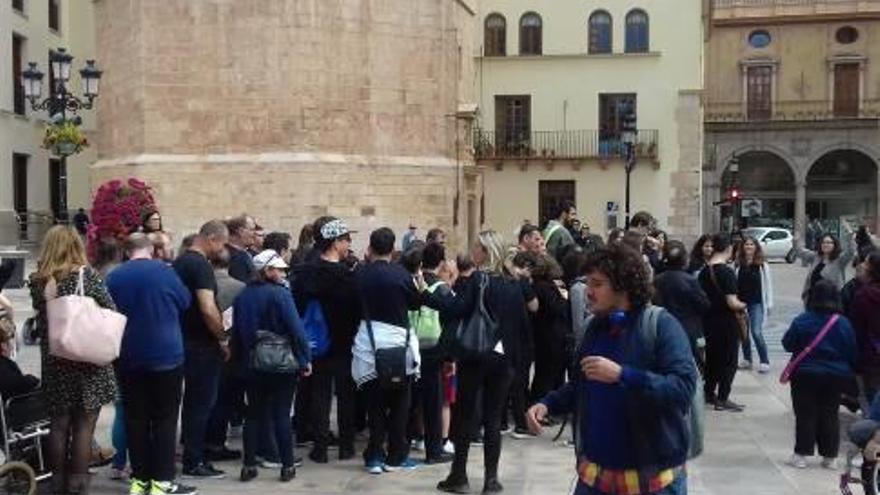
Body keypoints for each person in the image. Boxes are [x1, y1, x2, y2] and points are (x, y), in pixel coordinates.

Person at [527, 244, 697, 495]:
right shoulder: (592, 328)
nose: (588, 292)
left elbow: (682, 389)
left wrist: (623, 375)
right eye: (588, 283)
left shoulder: (661, 325)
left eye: (597, 284)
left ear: (623, 286)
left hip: (653, 483)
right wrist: (548, 403)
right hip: (595, 480)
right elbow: (582, 384)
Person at [435, 231, 529, 494]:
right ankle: (490, 479)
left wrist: (438, 291)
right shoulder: (514, 282)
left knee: (465, 415)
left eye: (476, 246)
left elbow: (457, 311)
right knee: (493, 417)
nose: (472, 250)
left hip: (477, 354)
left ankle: (459, 474)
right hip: (504, 358)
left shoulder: (477, 279)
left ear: (486, 251)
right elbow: (522, 324)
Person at [28, 226, 118, 495]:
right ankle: (78, 482)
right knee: (84, 425)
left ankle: (57, 482)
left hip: (56, 362)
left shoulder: (38, 280)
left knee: (58, 424)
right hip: (86, 360)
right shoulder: (85, 275)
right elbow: (109, 308)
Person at [106, 234, 196, 495]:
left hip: (128, 355)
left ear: (127, 251)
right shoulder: (164, 272)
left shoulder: (114, 276)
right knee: (165, 419)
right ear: (150, 250)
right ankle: (162, 481)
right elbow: (184, 302)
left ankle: (139, 480)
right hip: (166, 354)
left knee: (136, 418)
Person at [234, 250, 312, 483]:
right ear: (267, 270)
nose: (282, 272)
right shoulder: (280, 294)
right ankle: (287, 465)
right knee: (281, 414)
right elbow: (296, 329)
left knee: (254, 414)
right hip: (281, 362)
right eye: (278, 269)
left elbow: (238, 331)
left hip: (252, 362)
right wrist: (305, 358)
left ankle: (248, 465)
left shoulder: (243, 295)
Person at [291, 217, 361, 463]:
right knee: (345, 396)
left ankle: (320, 447)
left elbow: (297, 307)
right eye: (345, 240)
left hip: (316, 342)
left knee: (319, 395)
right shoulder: (348, 276)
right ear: (335, 242)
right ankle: (346, 446)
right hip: (343, 343)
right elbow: (357, 311)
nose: (348, 245)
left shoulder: (305, 273)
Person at [353, 227, 423, 474]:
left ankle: (374, 456)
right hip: (398, 344)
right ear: (393, 250)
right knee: (400, 405)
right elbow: (415, 303)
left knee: (374, 405)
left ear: (370, 248)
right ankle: (396, 455)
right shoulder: (401, 274)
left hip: (369, 344)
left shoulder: (360, 274)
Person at [173, 220, 231, 479]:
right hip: (201, 344)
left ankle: (190, 452)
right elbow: (207, 308)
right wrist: (222, 338)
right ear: (211, 238)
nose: (222, 249)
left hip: (183, 339)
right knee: (201, 404)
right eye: (222, 243)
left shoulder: (181, 262)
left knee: (191, 404)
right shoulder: (201, 266)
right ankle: (194, 460)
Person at [782, 280, 857, 470]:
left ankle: (801, 455)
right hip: (835, 375)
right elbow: (851, 350)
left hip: (806, 373)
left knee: (805, 413)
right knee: (830, 413)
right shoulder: (844, 323)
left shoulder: (803, 320)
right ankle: (829, 457)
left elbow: (788, 343)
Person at [408, 242, 456, 464]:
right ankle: (434, 450)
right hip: (433, 348)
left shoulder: (413, 282)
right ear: (441, 262)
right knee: (433, 401)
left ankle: (409, 438)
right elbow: (450, 323)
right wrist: (450, 357)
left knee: (410, 399)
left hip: (411, 346)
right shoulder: (442, 288)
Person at [698, 233, 748, 412]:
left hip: (708, 321)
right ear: (728, 249)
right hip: (726, 322)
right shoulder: (726, 272)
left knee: (712, 359)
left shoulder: (705, 271)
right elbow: (732, 302)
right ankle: (723, 398)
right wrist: (745, 304)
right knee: (729, 361)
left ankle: (708, 393)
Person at [653, 241, 711, 372]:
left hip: (663, 326)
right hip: (689, 327)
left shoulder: (658, 280)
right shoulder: (690, 280)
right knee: (694, 363)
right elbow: (704, 304)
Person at [527, 254, 570, 406]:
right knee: (546, 373)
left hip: (548, 334)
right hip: (549, 335)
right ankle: (539, 403)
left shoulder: (543, 285)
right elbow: (555, 307)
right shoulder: (544, 287)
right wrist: (564, 299)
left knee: (548, 372)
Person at [734, 236, 774, 373]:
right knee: (743, 333)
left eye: (751, 244)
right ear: (743, 247)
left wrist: (769, 303)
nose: (749, 247)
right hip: (741, 303)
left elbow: (768, 285)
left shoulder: (762, 265)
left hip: (756, 303)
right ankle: (747, 359)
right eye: (746, 244)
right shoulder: (738, 264)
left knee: (756, 332)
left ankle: (764, 360)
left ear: (756, 247)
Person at [796, 220, 855, 299]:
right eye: (823, 242)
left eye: (828, 242)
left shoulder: (839, 260)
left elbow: (850, 251)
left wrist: (850, 234)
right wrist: (796, 239)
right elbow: (800, 251)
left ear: (835, 245)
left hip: (832, 300)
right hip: (813, 300)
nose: (825, 245)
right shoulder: (815, 257)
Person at [852, 250, 880, 403]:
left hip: (870, 356)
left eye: (867, 262)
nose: (863, 265)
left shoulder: (863, 295)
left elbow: (857, 330)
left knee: (872, 397)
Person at [225, 215, 257, 283]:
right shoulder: (238, 257)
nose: (255, 234)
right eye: (252, 230)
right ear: (240, 231)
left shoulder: (242, 254)